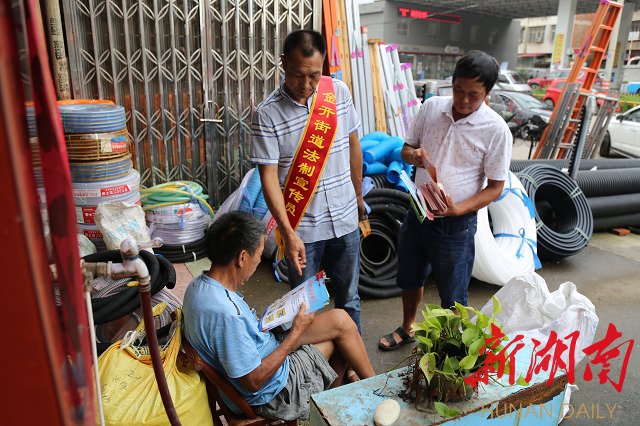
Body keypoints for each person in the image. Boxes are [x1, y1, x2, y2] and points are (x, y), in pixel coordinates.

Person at [182, 211, 375, 421]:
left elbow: (238, 340)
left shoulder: (198, 287)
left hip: (260, 351)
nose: (258, 262)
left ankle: (367, 390)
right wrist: (295, 333)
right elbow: (254, 381)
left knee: (341, 320)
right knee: (339, 341)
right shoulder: (228, 315)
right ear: (242, 258)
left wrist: (272, 321)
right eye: (258, 255)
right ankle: (332, 411)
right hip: (273, 392)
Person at [379, 51, 513, 351]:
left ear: (488, 93)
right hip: (418, 210)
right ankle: (408, 326)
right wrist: (411, 155)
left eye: (473, 95)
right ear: (451, 84)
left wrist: (458, 209)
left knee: (453, 293)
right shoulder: (431, 108)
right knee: (410, 276)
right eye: (458, 91)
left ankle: (449, 345)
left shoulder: (496, 130)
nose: (464, 100)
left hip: (456, 223)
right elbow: (406, 149)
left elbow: (495, 188)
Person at [250, 30, 364, 335]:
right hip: (303, 230)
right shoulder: (267, 114)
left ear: (324, 64)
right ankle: (311, 374)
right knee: (303, 309)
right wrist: (288, 233)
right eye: (297, 75)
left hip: (345, 220)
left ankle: (350, 369)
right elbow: (269, 178)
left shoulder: (337, 93)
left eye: (314, 75)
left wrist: (359, 197)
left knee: (349, 299)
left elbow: (354, 145)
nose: (306, 84)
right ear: (283, 63)